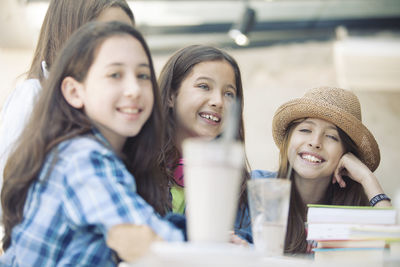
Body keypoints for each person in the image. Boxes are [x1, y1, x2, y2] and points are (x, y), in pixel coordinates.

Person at [0, 21, 183, 265]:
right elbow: (145, 240)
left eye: (143, 75)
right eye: (115, 74)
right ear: (75, 92)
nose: (134, 89)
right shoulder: (82, 157)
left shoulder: (79, 152)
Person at [0, 0, 135, 204]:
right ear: (71, 35)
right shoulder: (34, 94)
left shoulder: (120, 102)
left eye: (127, 35)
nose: (120, 46)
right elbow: (9, 190)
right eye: (105, 35)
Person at [252, 86, 391, 254]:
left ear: (347, 153)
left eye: (332, 136)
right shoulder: (258, 186)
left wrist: (367, 178)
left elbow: (391, 251)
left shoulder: (356, 214)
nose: (315, 142)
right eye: (305, 130)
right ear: (289, 139)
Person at [158, 45, 251, 243]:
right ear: (170, 96)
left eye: (229, 94)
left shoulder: (240, 186)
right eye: (204, 86)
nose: (218, 101)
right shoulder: (137, 169)